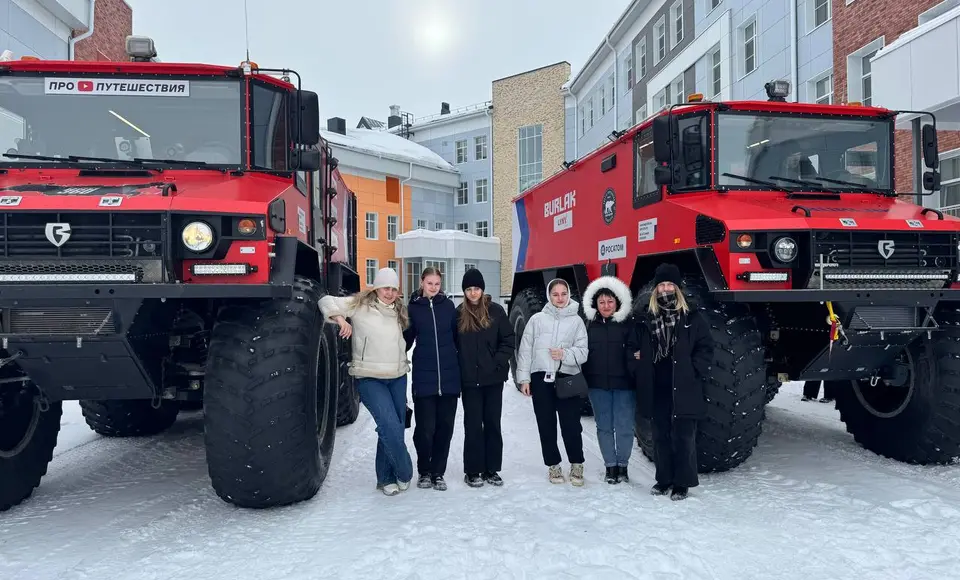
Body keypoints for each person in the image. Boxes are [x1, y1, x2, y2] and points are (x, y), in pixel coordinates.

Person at [318, 267, 413, 497]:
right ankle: (405, 471)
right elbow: (325, 301)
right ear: (377, 288)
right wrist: (341, 320)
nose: (389, 293)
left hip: (398, 377)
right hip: (370, 378)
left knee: (394, 428)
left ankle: (385, 478)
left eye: (393, 289)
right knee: (389, 426)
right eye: (385, 288)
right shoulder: (359, 305)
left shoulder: (400, 310)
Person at [627, 263, 713, 501]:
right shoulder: (645, 318)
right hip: (656, 387)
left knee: (684, 437)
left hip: (684, 386)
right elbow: (632, 348)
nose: (665, 289)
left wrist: (695, 370)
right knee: (660, 436)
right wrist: (638, 367)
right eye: (661, 285)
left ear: (678, 288)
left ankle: (681, 484)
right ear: (655, 289)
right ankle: (663, 479)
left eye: (669, 285)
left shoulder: (692, 317)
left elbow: (705, 348)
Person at [515, 278, 590, 486]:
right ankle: (553, 465)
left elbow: (583, 352)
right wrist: (524, 378)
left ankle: (576, 463)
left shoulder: (576, 321)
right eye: (555, 294)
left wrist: (565, 354)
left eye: (563, 294)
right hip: (541, 378)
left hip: (567, 378)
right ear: (549, 296)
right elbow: (525, 351)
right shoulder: (537, 320)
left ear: (569, 295)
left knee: (571, 425)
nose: (560, 298)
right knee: (546, 425)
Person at [456, 268, 515, 488]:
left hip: (493, 380)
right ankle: (473, 471)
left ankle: (492, 469)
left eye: (477, 289)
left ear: (482, 290)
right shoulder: (459, 314)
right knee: (473, 426)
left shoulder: (496, 312)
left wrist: (497, 362)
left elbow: (508, 339)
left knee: (492, 424)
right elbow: (453, 346)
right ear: (464, 291)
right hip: (470, 381)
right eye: (469, 289)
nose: (473, 293)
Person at [404, 267, 461, 491]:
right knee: (425, 429)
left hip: (449, 378)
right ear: (422, 282)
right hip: (424, 377)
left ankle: (438, 473)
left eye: (437, 284)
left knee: (445, 429)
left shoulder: (448, 307)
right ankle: (424, 471)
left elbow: (458, 339)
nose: (434, 288)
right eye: (430, 283)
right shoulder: (413, 308)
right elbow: (405, 340)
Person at [581, 275, 635, 485]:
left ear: (617, 303)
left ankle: (623, 465)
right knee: (604, 427)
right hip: (598, 386)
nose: (606, 306)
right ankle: (610, 466)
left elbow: (638, 350)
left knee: (624, 427)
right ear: (595, 304)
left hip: (624, 386)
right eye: (601, 302)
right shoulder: (588, 326)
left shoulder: (629, 325)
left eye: (610, 302)